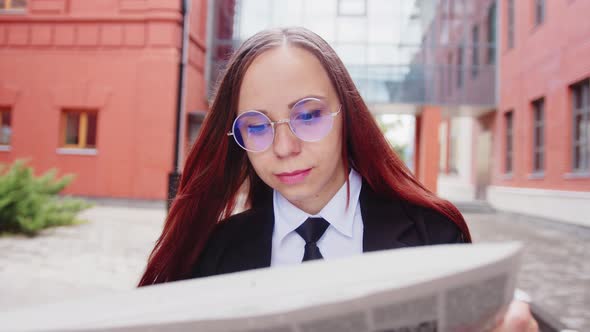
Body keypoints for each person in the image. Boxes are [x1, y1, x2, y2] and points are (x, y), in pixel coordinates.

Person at [139, 27, 537, 331]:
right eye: (257, 126)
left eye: (307, 115)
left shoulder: (433, 233)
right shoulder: (214, 254)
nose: (284, 147)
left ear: (347, 114)